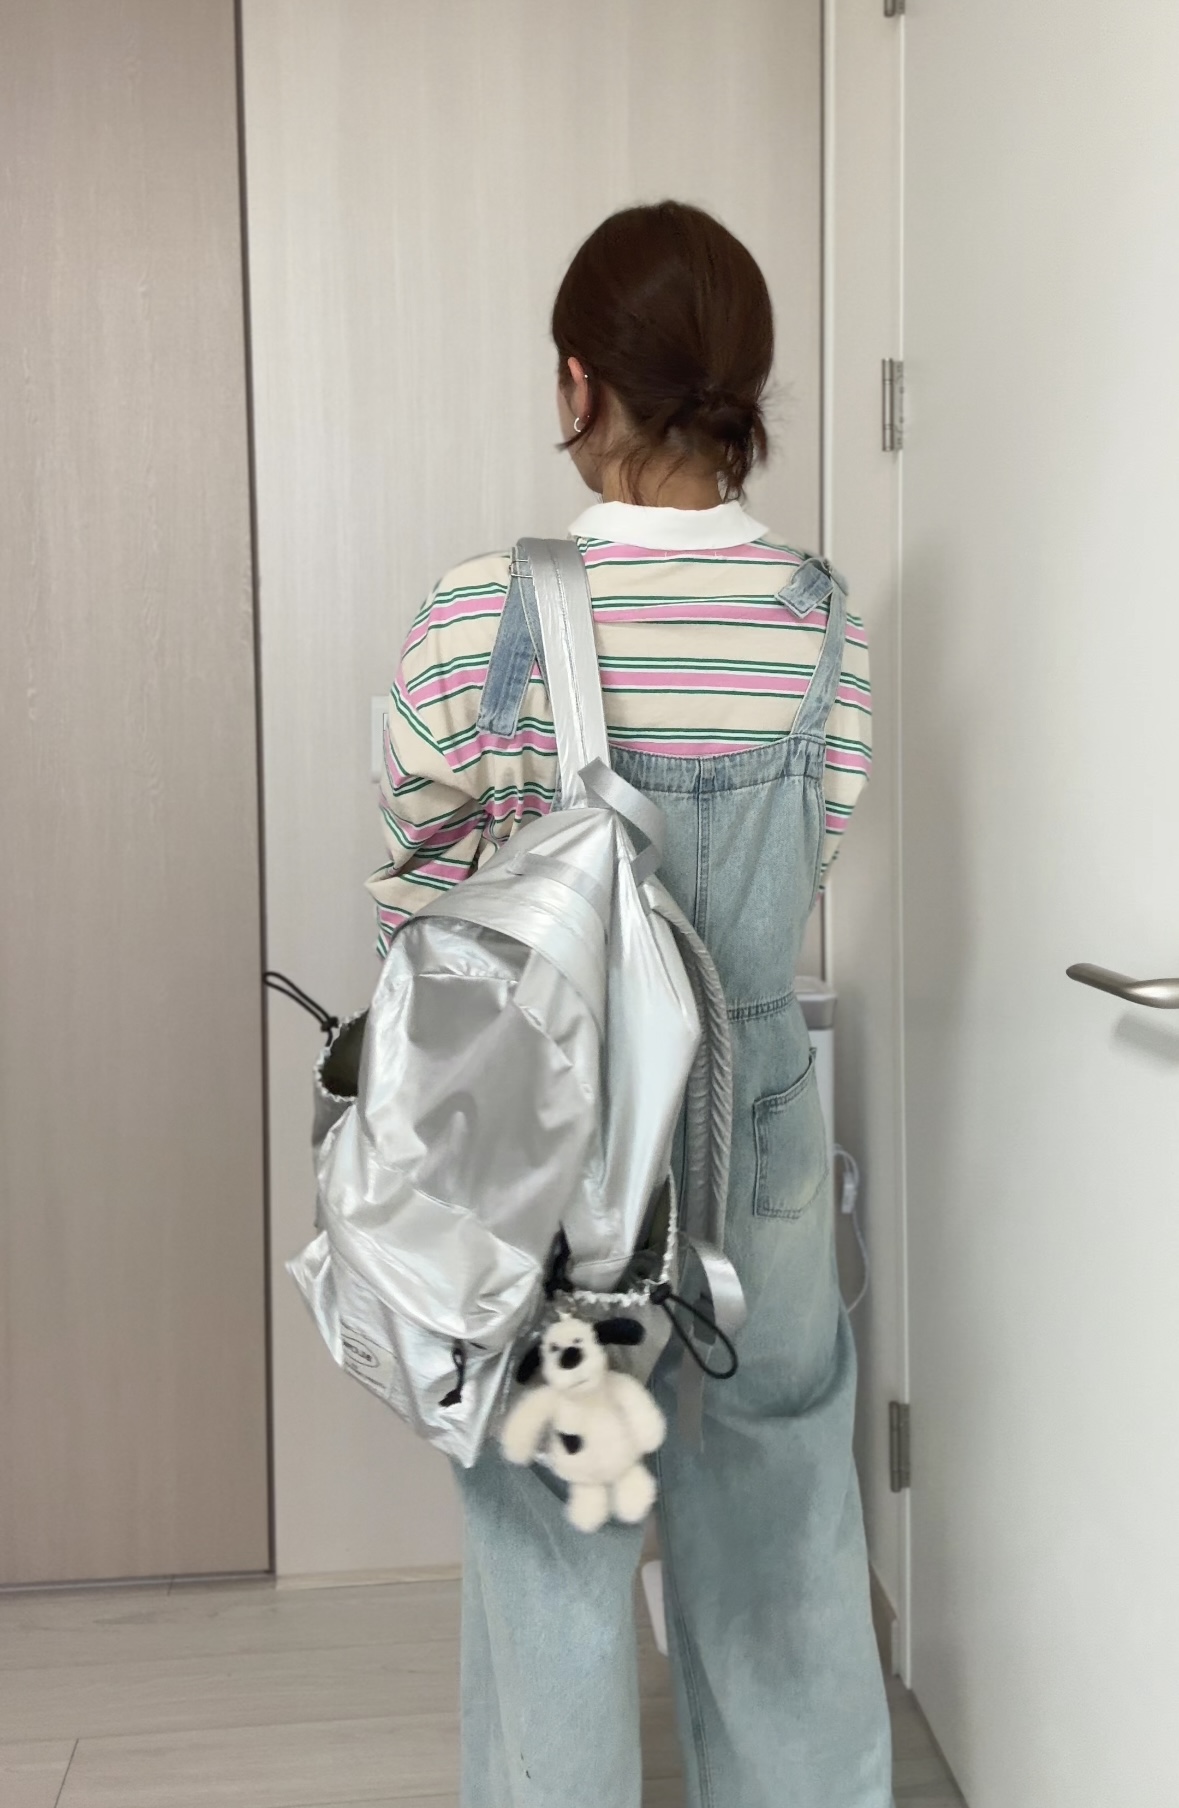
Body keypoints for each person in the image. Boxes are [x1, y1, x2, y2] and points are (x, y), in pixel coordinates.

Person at [369, 201, 892, 1808]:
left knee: (550, 1528)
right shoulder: (819, 620)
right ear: (745, 388)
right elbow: (819, 842)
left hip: (545, 1157)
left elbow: (416, 901)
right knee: (784, 1518)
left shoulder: (479, 616)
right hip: (761, 1141)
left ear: (577, 382)